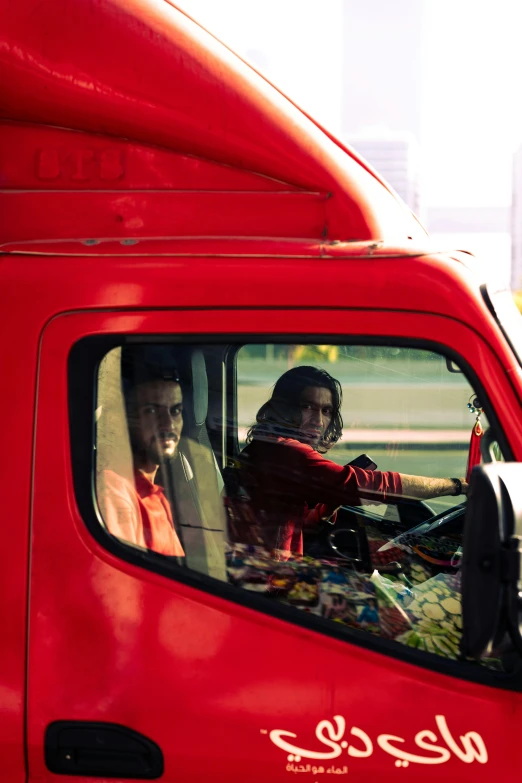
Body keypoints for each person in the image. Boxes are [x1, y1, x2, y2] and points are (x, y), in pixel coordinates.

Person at [236, 366, 468, 558]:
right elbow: (375, 485)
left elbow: (296, 526)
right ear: (285, 408)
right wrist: (455, 486)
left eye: (326, 411)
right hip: (266, 582)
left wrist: (332, 500)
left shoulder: (268, 446)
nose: (318, 420)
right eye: (307, 407)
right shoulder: (286, 452)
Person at [97, 351, 185, 557]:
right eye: (152, 411)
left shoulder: (154, 495)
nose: (168, 424)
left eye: (176, 411)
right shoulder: (114, 493)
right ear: (124, 420)